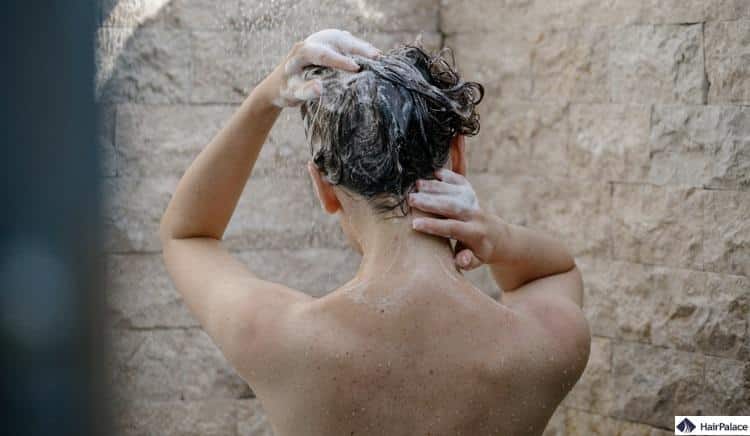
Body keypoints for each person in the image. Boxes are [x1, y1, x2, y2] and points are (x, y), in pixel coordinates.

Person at [159, 29, 591, 436]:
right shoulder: (543, 347)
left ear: (324, 188)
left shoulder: (276, 338)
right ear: (457, 158)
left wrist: (267, 97)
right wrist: (497, 238)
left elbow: (187, 235)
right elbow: (554, 272)